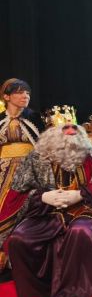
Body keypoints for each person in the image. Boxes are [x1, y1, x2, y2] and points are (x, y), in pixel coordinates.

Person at [6, 106, 92, 297]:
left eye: (73, 128)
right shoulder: (36, 157)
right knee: (19, 239)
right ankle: (37, 292)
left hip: (85, 209)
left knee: (80, 233)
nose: (70, 134)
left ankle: (71, 294)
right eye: (64, 129)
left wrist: (80, 194)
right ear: (51, 134)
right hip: (45, 212)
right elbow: (17, 192)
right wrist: (43, 196)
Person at [0, 79, 43, 272]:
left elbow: (42, 146)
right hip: (2, 170)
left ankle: (21, 255)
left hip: (29, 170)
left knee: (27, 209)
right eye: (19, 93)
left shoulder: (34, 118)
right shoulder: (0, 119)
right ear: (6, 97)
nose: (25, 96)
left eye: (27, 93)